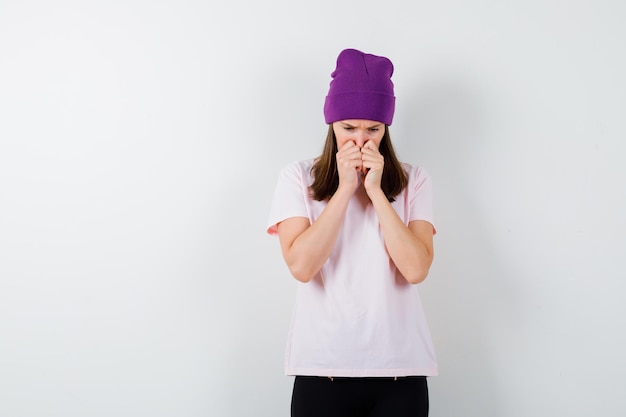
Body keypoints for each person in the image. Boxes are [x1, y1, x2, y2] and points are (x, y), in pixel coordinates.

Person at [267, 48, 437, 417]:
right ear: (331, 124)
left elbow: (416, 269)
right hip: (322, 371)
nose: (360, 141)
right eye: (348, 128)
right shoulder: (297, 178)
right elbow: (302, 266)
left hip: (400, 374)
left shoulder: (414, 180)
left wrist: (377, 193)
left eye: (373, 129)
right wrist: (344, 190)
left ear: (386, 127)